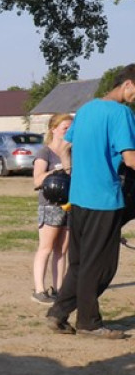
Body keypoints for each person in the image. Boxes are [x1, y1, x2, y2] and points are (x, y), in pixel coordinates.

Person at [46, 64, 135, 338]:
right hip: (103, 199)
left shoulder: (85, 110)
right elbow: (130, 158)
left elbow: (64, 146)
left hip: (79, 197)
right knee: (101, 266)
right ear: (128, 85)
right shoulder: (121, 113)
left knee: (80, 262)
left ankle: (58, 313)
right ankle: (89, 323)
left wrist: (73, 169)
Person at [31, 113, 73, 304]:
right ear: (53, 129)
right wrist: (56, 172)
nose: (69, 132)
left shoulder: (73, 152)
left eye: (71, 129)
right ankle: (39, 290)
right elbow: (37, 180)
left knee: (62, 250)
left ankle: (58, 289)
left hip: (69, 205)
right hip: (50, 205)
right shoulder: (44, 153)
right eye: (65, 128)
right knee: (46, 247)